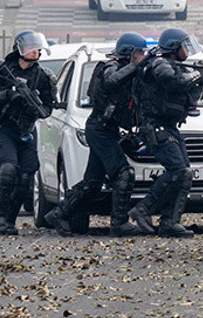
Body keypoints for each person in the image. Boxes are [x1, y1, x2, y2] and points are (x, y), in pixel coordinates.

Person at [44, 33, 147, 238]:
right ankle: (119, 224)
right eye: (139, 53)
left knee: (92, 183)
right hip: (99, 129)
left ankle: (58, 213)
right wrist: (135, 67)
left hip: (106, 130)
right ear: (129, 53)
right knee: (124, 173)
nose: (142, 56)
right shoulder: (109, 68)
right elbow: (111, 82)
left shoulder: (131, 74)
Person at [128, 28, 203, 238]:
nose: (186, 51)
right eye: (183, 46)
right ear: (174, 48)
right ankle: (143, 209)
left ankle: (170, 222)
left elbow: (187, 93)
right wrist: (198, 74)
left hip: (168, 126)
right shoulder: (160, 64)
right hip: (156, 126)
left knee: (185, 174)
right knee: (178, 171)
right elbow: (174, 83)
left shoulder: (173, 64)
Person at [0, 31, 56, 236]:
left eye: (38, 49)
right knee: (8, 169)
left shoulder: (43, 76)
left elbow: (48, 109)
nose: (36, 53)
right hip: (5, 129)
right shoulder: (2, 69)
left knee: (26, 176)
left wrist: (33, 104)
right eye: (31, 49)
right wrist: (8, 95)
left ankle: (10, 219)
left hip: (27, 130)